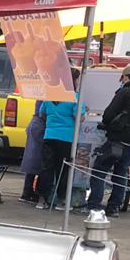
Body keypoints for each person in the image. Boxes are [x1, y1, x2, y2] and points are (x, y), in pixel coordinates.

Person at [86, 63, 130, 217]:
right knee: (121, 173)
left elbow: (108, 114)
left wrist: (110, 123)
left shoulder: (124, 92)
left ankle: (94, 206)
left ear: (126, 77)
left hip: (116, 139)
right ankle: (114, 207)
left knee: (99, 170)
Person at [35, 73, 81, 210]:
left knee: (46, 168)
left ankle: (41, 200)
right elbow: (78, 117)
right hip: (67, 138)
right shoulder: (74, 97)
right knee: (63, 170)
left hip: (49, 135)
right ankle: (62, 201)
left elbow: (41, 114)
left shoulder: (50, 96)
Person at [19, 101, 46, 203]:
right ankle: (30, 192)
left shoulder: (43, 94)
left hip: (36, 124)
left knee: (33, 159)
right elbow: (43, 113)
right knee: (38, 160)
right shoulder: (47, 95)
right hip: (40, 126)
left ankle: (28, 191)